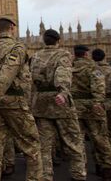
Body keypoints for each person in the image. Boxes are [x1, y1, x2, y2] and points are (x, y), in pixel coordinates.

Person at [0, 16, 42, 181]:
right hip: (13, 101)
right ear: (12, 28)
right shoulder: (17, 47)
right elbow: (8, 72)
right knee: (32, 145)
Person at [30, 29, 86, 181]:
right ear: (58, 40)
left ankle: (46, 176)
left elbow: (31, 81)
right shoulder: (63, 54)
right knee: (73, 142)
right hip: (59, 102)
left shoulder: (35, 56)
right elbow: (63, 73)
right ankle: (78, 175)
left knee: (44, 146)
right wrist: (62, 92)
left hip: (41, 103)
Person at [71, 45, 111, 180]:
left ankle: (78, 172)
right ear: (86, 54)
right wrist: (98, 103)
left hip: (75, 108)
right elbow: (99, 88)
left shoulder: (68, 68)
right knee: (100, 138)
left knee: (77, 140)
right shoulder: (93, 68)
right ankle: (106, 167)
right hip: (92, 107)